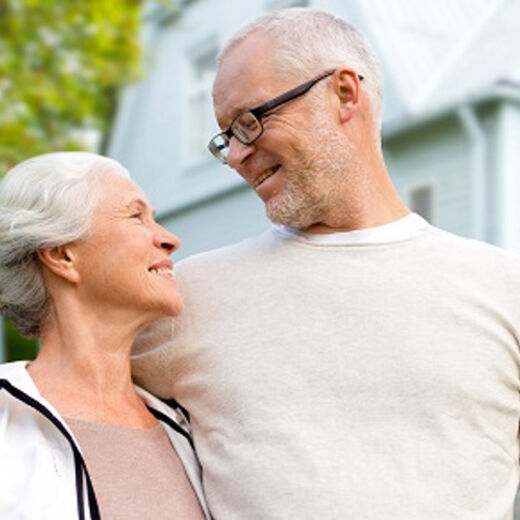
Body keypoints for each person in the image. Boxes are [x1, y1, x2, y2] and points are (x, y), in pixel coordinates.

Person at [132, 7, 520, 520]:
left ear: (343, 94)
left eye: (250, 121)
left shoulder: (503, 288)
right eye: (226, 137)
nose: (236, 156)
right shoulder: (186, 298)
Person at [0, 152, 211, 519]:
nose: (170, 239)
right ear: (63, 255)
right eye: (136, 215)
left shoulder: (188, 428)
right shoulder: (6, 419)